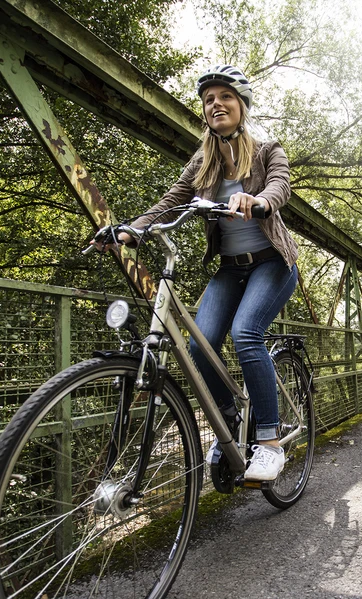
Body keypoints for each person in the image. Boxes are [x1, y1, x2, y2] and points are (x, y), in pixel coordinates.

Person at [107, 65, 299, 481]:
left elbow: (280, 185)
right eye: (209, 100)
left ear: (242, 105)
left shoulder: (267, 149)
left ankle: (268, 441)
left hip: (272, 262)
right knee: (200, 345)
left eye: (225, 97)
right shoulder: (203, 162)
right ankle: (230, 420)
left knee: (246, 334)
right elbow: (170, 201)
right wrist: (132, 228)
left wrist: (260, 201)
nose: (216, 104)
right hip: (231, 269)